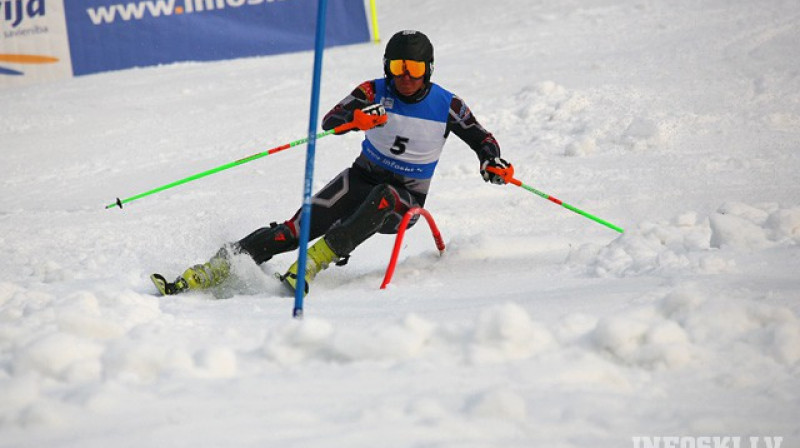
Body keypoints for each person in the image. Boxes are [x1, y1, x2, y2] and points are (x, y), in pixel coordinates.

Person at [151, 30, 512, 297]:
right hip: (359, 179)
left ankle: (312, 263)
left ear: (428, 70)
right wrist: (356, 118)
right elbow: (330, 121)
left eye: (415, 68)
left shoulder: (447, 105)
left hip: (405, 200)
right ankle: (210, 269)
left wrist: (492, 161)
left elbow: (482, 138)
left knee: (386, 194)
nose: (405, 76)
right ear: (387, 65)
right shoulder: (373, 92)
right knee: (293, 230)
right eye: (398, 66)